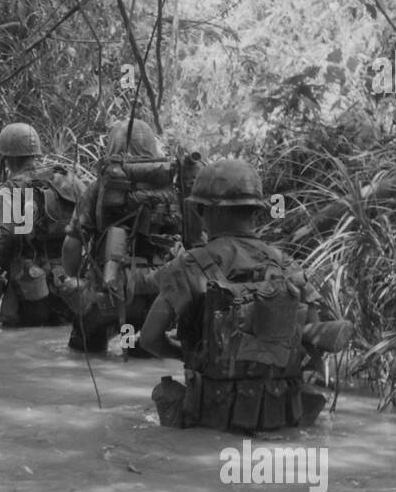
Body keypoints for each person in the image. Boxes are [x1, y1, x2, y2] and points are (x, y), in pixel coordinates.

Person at [139, 158, 339, 432]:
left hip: (210, 416)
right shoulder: (287, 265)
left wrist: (191, 355)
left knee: (164, 395)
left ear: (202, 211)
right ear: (255, 211)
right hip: (280, 416)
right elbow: (313, 338)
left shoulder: (189, 265)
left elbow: (149, 339)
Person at [60, 118, 184, 354]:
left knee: (82, 353)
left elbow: (72, 244)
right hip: (159, 296)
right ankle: (135, 351)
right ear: (152, 146)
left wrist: (74, 280)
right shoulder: (172, 189)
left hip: (106, 292)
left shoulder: (99, 189)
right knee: (146, 358)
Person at [0, 122, 85, 327]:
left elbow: (8, 236)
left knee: (16, 332)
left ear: (8, 158)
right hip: (68, 283)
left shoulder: (13, 187)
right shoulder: (68, 180)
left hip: (31, 285)